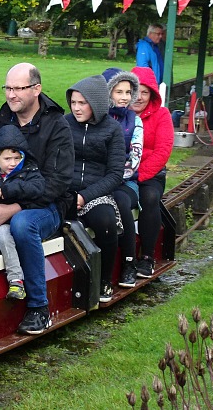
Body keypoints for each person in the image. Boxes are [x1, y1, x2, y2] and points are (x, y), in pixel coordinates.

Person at [0, 63, 73, 335]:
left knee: (22, 224)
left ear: (36, 89)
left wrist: (12, 208)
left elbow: (58, 182)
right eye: (7, 88)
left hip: (46, 205)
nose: (11, 94)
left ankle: (39, 307)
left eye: (18, 88)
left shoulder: (57, 126)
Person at [64, 75, 125, 302]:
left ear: (96, 104)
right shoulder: (64, 124)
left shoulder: (112, 129)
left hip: (96, 192)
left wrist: (85, 196)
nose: (76, 108)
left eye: (82, 103)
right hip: (65, 190)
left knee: (106, 222)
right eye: (73, 103)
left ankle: (104, 280)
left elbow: (115, 174)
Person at [0, 125, 46, 300]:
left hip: (2, 224)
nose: (13, 163)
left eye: (17, 157)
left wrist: (6, 190)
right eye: (7, 158)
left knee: (6, 236)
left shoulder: (28, 171)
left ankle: (16, 280)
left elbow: (37, 188)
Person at [130, 66, 174, 277]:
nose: (138, 97)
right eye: (135, 91)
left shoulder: (162, 115)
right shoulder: (119, 115)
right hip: (122, 173)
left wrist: (139, 175)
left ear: (152, 95)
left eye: (145, 93)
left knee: (149, 198)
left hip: (150, 174)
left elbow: (163, 151)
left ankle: (147, 256)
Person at [102, 68, 143, 288]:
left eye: (128, 92)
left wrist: (113, 178)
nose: (125, 97)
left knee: (121, 201)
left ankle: (129, 261)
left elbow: (134, 157)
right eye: (119, 91)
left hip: (125, 181)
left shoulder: (135, 121)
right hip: (100, 180)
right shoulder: (99, 118)